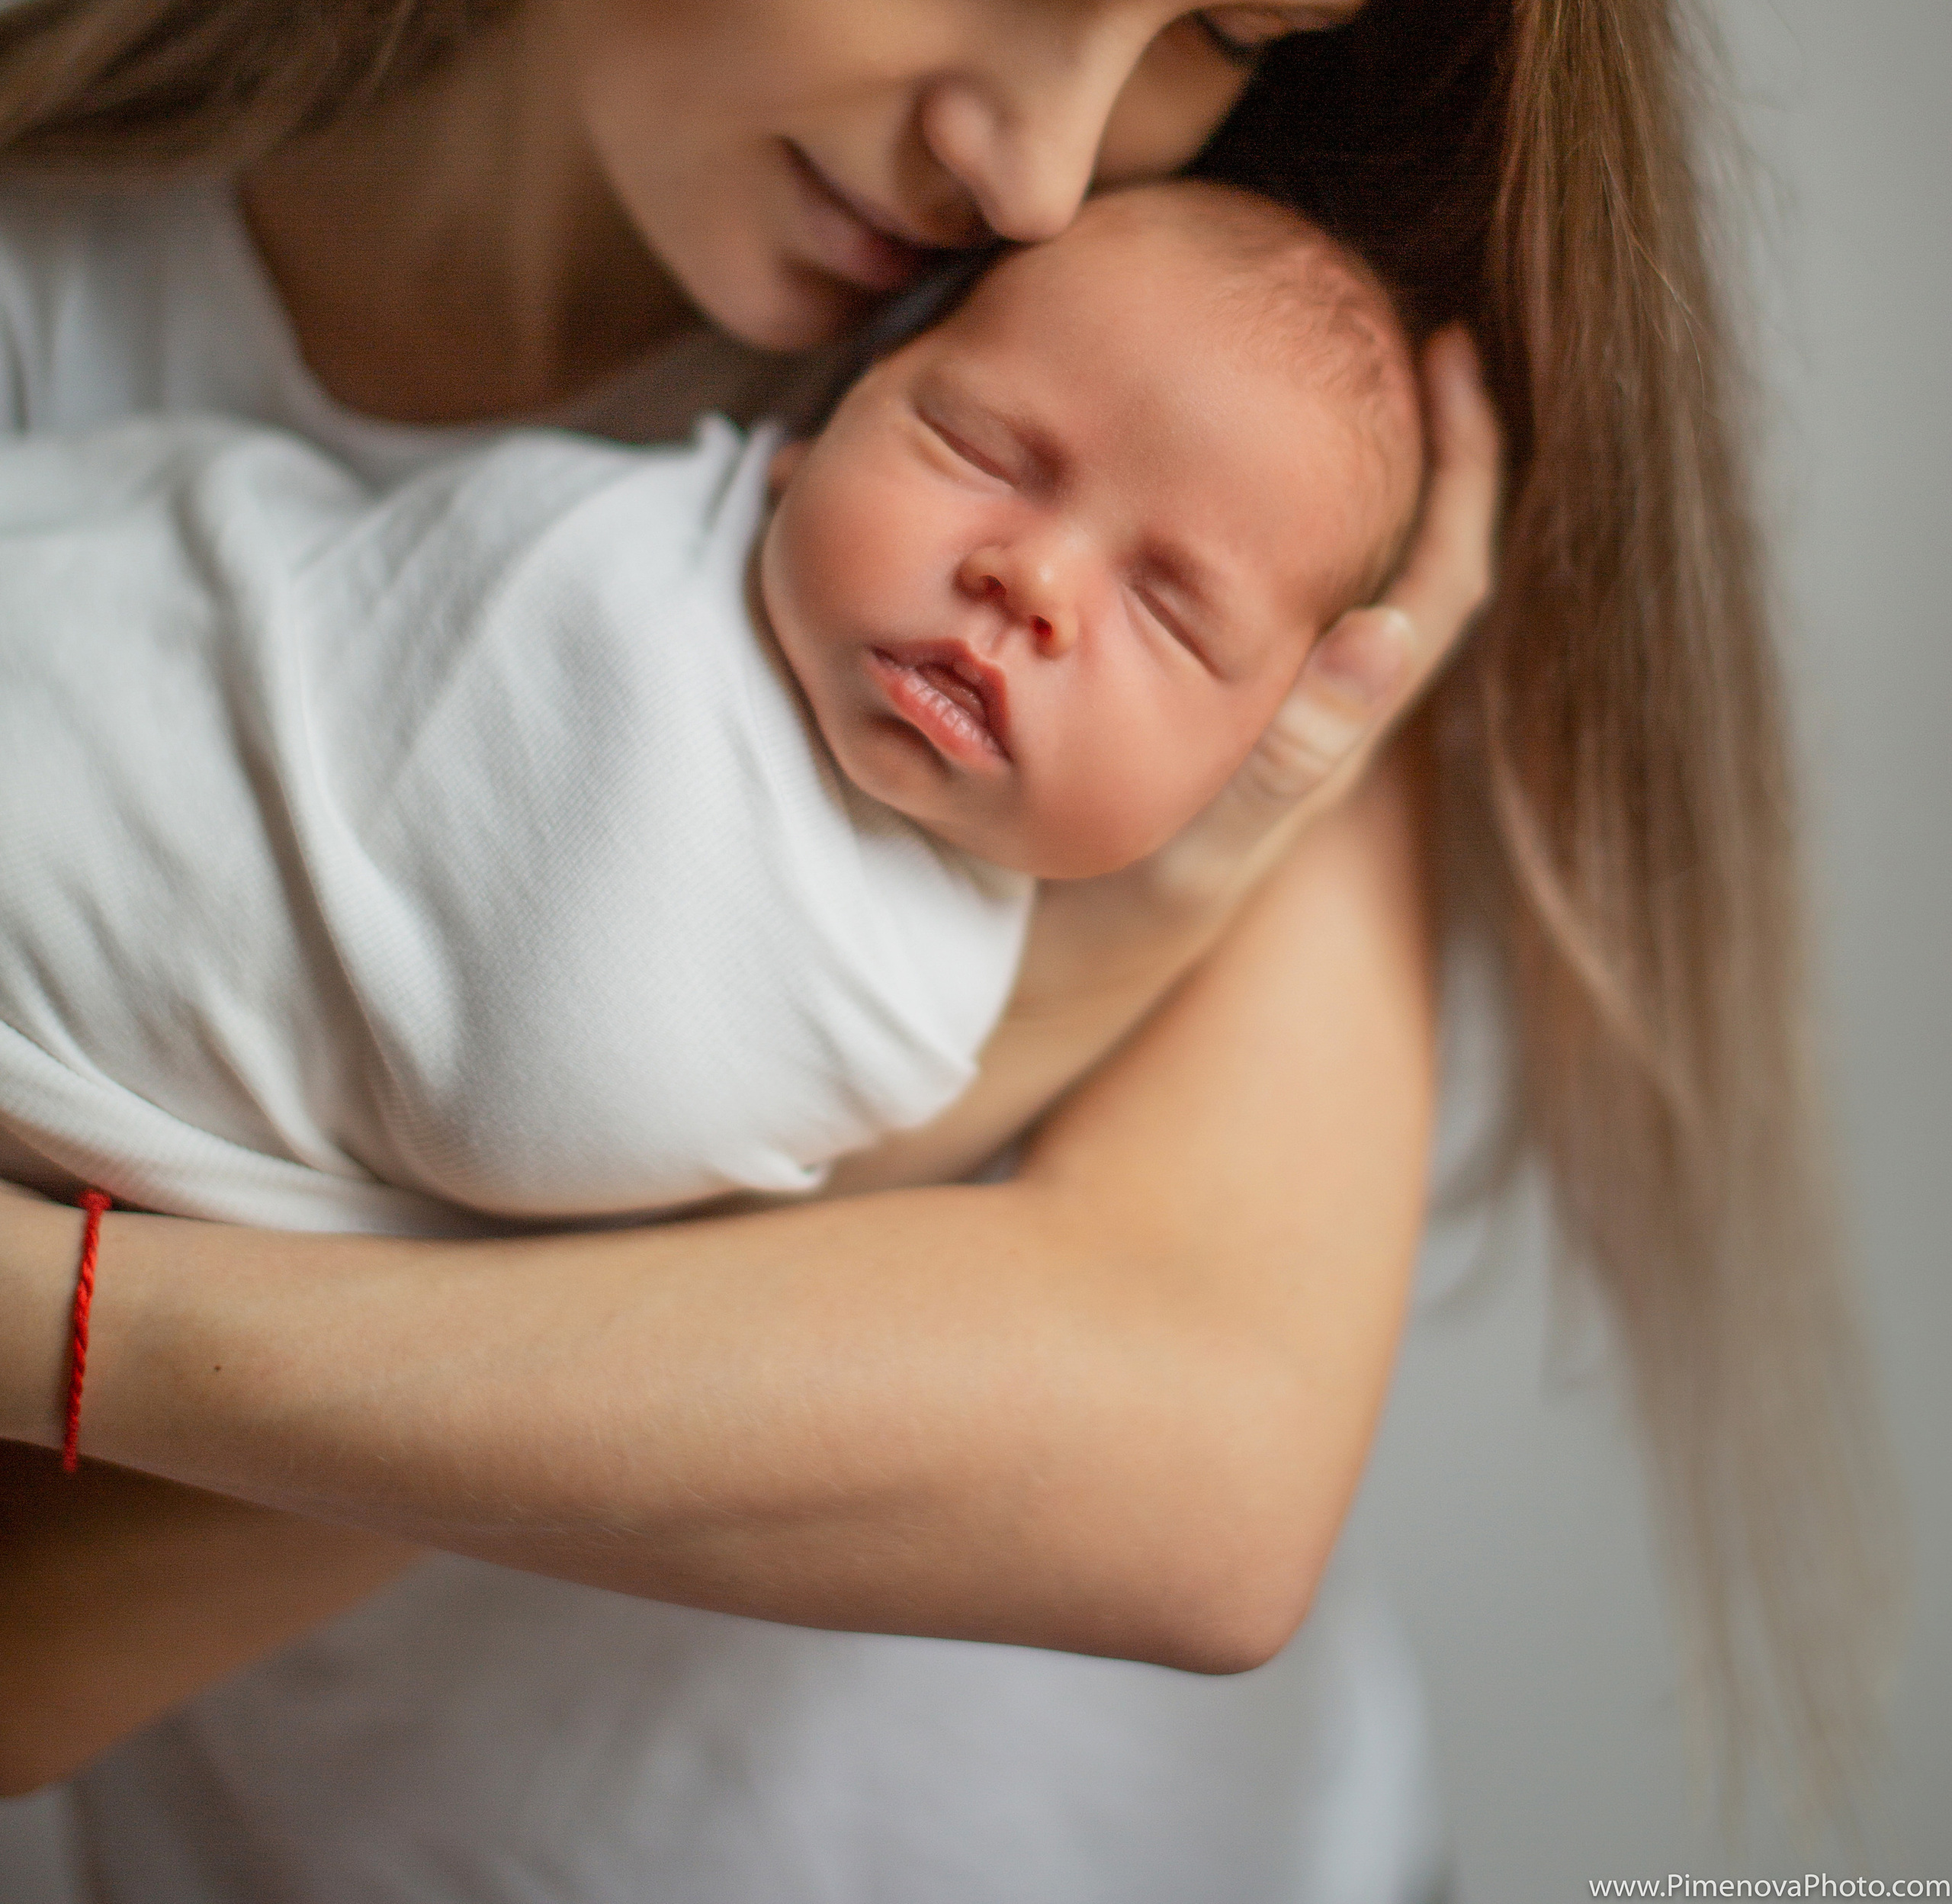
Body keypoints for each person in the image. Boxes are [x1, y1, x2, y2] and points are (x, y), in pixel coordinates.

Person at [0, 0, 1877, 1901]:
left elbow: (1175, 1472)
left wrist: (77, 1319)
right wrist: (1051, 1010)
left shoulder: (1168, 439)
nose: (1040, 152)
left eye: (1231, 37)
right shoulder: (55, 307)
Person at [0, 185, 1421, 1235]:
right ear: (818, 432)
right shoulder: (668, 530)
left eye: (1170, 610)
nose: (1031, 575)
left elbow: (542, 1162)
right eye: (976, 447)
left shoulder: (920, 1008)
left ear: (1264, 749)